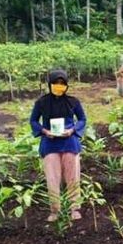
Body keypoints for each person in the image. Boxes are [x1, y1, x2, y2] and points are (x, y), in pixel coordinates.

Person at [30, 70, 87, 222]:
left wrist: (73, 129)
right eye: (56, 83)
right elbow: (33, 121)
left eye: (62, 83)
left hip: (69, 141)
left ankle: (74, 208)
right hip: (50, 143)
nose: (59, 86)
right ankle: (55, 210)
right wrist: (43, 131)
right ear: (50, 84)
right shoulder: (42, 102)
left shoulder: (73, 101)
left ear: (67, 85)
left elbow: (82, 119)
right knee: (52, 177)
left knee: (73, 176)